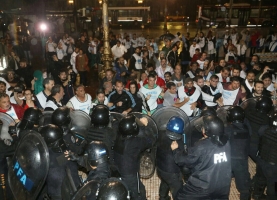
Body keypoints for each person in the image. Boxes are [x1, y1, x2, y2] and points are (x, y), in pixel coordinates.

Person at [171, 115, 231, 199]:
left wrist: (175, 150)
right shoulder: (227, 142)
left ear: (207, 130)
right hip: (223, 186)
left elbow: (183, 160)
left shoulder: (202, 146)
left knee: (179, 197)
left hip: (203, 186)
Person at [114, 114, 155, 200]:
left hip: (118, 167)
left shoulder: (119, 135)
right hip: (130, 172)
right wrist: (145, 126)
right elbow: (151, 140)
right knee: (138, 193)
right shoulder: (135, 142)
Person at [225, 106, 251, 200]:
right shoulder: (247, 127)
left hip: (229, 159)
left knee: (222, 184)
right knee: (245, 186)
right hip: (242, 159)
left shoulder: (228, 129)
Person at [156, 117, 184, 199]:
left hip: (160, 168)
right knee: (178, 192)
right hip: (173, 173)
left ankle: (163, 197)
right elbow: (182, 161)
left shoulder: (160, 134)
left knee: (165, 181)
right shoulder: (180, 144)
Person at [252, 111, 277, 200]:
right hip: (273, 165)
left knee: (260, 178)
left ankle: (256, 195)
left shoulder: (264, 129)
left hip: (261, 159)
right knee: (272, 184)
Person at [244, 96, 272, 163]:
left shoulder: (249, 112)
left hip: (244, 141)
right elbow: (263, 133)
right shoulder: (266, 119)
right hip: (255, 145)